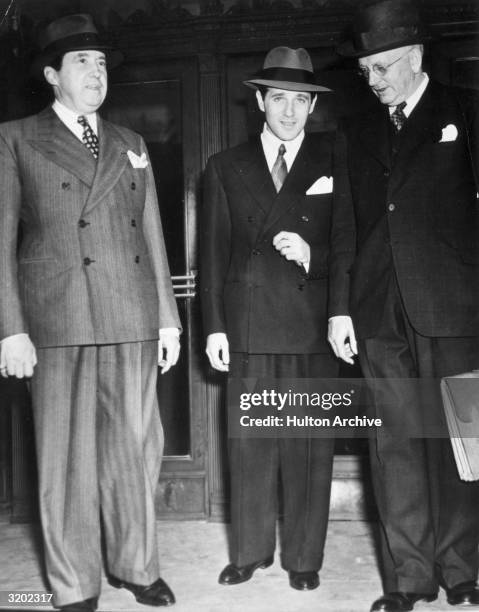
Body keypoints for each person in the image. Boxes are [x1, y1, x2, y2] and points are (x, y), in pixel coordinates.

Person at [0, 14, 181, 612]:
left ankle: (137, 566)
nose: (96, 73)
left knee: (135, 450)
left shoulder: (131, 144)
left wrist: (168, 319)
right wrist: (11, 329)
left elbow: (152, 235)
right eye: (82, 62)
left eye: (102, 63)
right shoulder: (16, 138)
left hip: (129, 315)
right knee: (66, 461)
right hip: (58, 320)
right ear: (52, 75)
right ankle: (75, 585)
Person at [328, 1, 479, 611]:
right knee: (394, 446)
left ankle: (462, 566)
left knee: (461, 441)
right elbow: (345, 228)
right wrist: (341, 309)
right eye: (366, 70)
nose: (375, 81)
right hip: (377, 310)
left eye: (385, 67)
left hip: (457, 306)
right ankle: (409, 578)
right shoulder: (354, 132)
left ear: (416, 57)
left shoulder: (464, 110)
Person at [201, 46, 348, 591]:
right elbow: (213, 255)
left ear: (313, 105)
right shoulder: (224, 165)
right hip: (247, 324)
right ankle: (250, 552)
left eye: (301, 100)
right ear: (259, 100)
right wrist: (214, 326)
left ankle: (304, 559)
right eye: (279, 98)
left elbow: (355, 243)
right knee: (251, 444)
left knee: (309, 449)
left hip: (313, 324)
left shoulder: (338, 159)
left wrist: (314, 254)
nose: (290, 111)